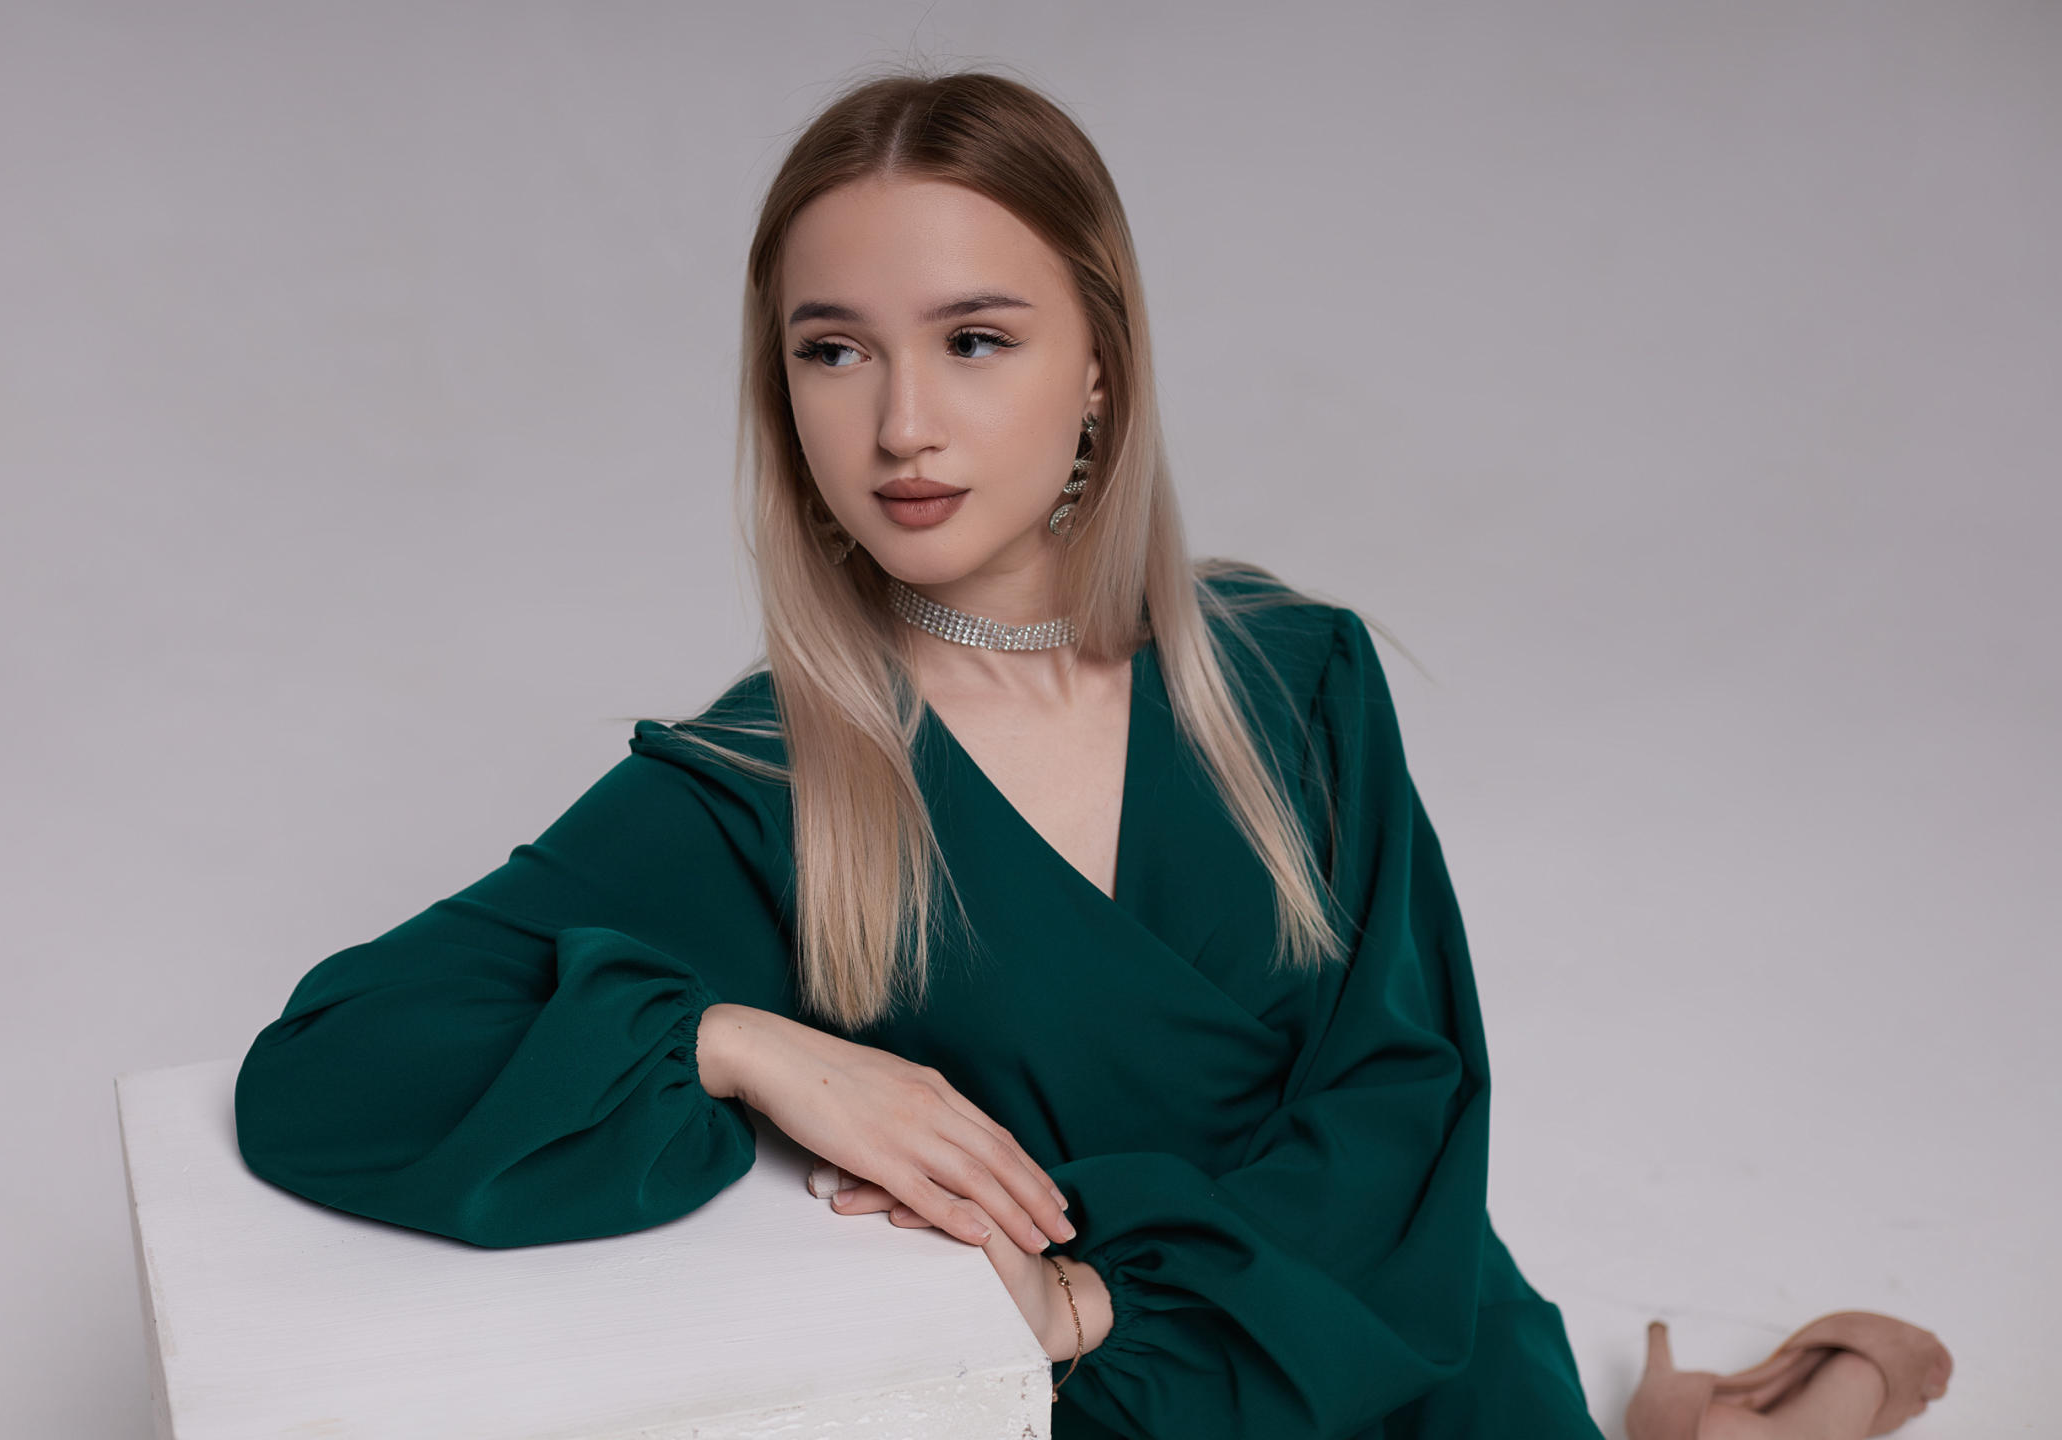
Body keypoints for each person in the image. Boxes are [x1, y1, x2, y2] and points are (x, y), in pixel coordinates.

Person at [233, 66, 1950, 1440]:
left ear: (1102, 368)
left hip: (1401, 1349)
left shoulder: (1295, 672)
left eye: (975, 340)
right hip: (1110, 1416)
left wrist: (1102, 1302)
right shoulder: (761, 784)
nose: (903, 424)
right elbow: (326, 1066)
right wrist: (737, 1042)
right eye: (834, 352)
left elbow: (1408, 1103)